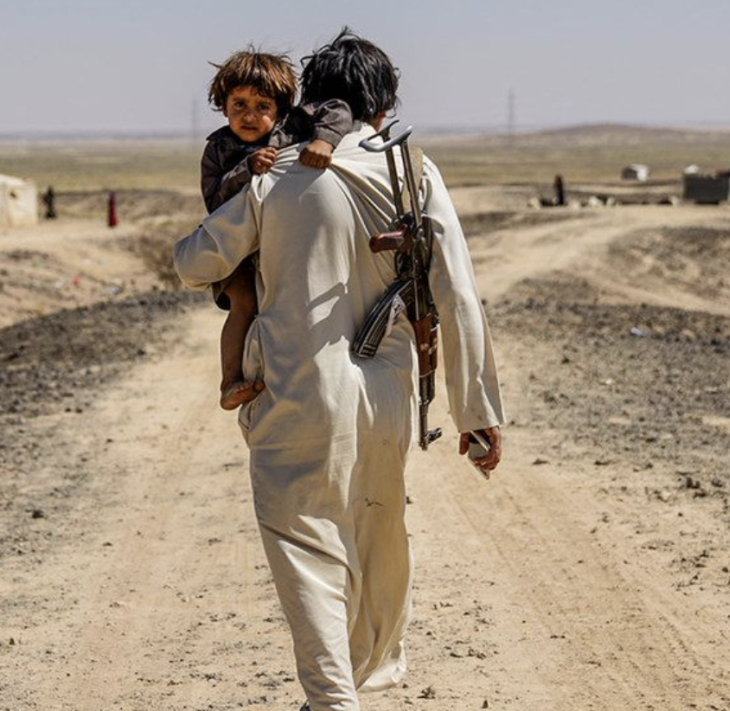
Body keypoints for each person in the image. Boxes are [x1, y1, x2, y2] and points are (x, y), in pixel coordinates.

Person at [174, 29, 505, 711]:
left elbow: (193, 262)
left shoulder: (276, 174)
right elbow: (459, 296)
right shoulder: (412, 170)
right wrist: (478, 417)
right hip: (386, 395)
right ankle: (355, 684)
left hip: (294, 390)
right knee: (375, 533)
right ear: (381, 106)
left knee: (306, 543)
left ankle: (332, 698)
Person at [200, 48, 355, 411]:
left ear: (281, 109)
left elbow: (338, 109)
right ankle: (229, 382)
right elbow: (213, 200)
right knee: (245, 304)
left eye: (262, 106)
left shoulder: (293, 128)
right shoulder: (218, 149)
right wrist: (245, 171)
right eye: (239, 104)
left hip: (282, 245)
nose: (249, 115)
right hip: (237, 250)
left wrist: (323, 141)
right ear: (223, 106)